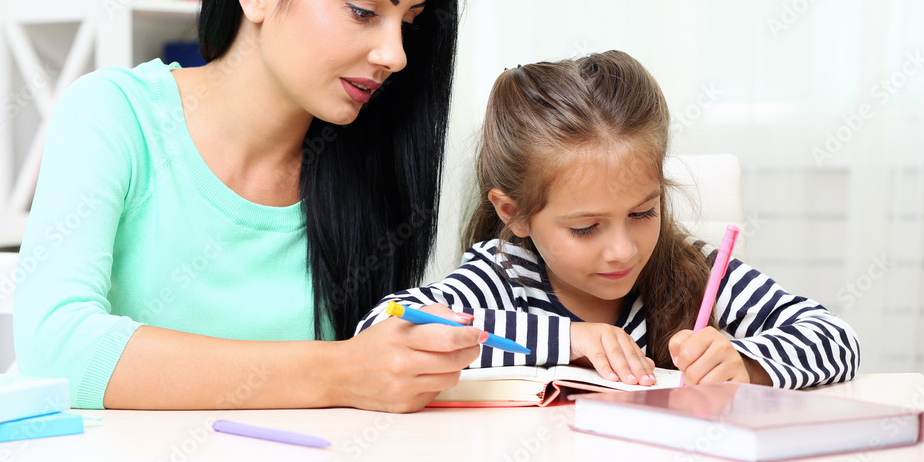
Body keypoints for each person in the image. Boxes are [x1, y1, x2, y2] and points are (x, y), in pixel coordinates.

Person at [14, 0, 483, 413]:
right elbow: (57, 348)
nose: (395, 55)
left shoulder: (362, 165)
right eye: (364, 11)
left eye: (407, 24)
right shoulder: (112, 115)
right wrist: (342, 371)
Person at [358, 51, 860, 389]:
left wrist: (747, 364)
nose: (623, 249)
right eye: (585, 228)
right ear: (514, 213)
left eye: (643, 212)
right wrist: (568, 340)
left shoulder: (696, 272)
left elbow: (836, 338)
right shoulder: (503, 277)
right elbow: (386, 328)